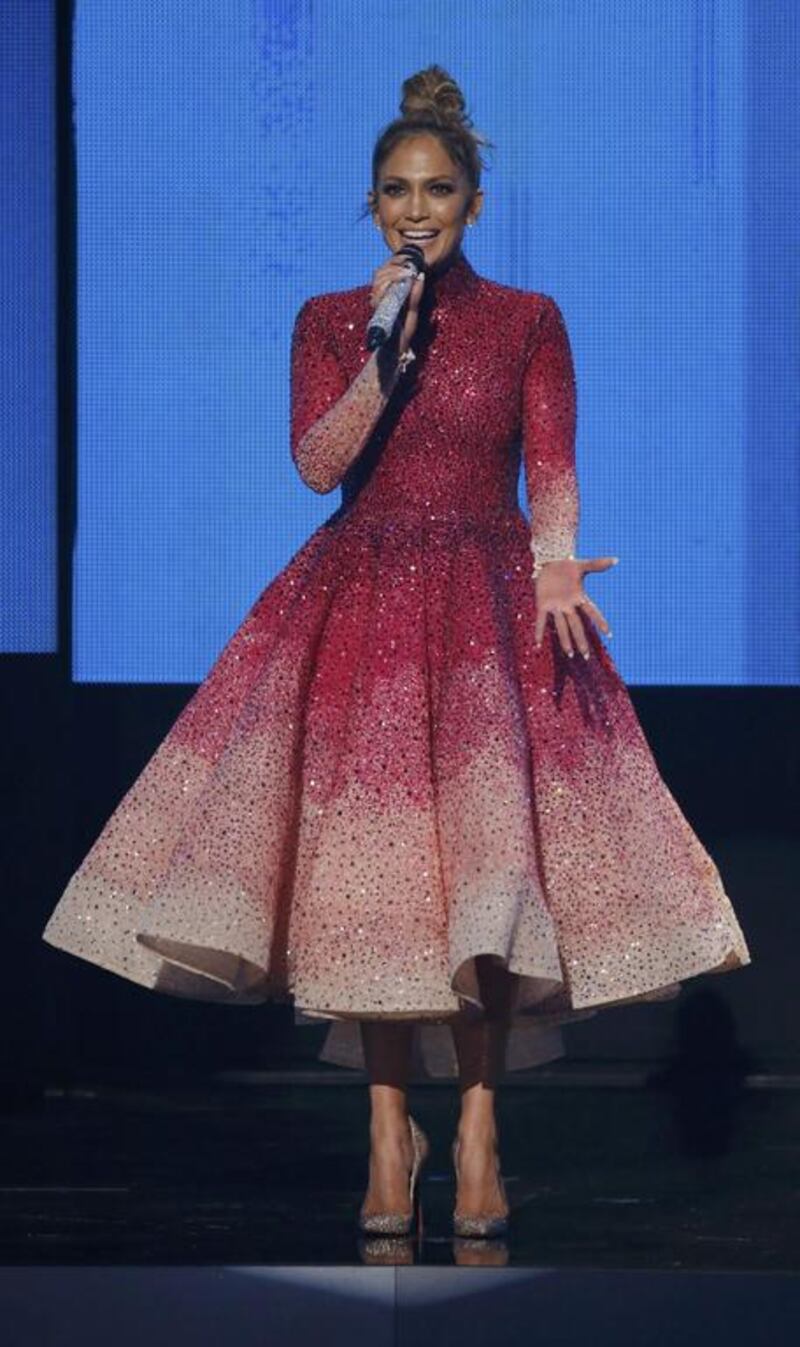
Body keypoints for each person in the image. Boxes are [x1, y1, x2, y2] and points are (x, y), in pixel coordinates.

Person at [41, 65, 751, 1241]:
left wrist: (556, 562)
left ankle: (474, 1130)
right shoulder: (330, 319)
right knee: (369, 895)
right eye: (392, 191)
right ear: (371, 206)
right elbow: (317, 467)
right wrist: (382, 351)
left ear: (473, 200)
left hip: (485, 616)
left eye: (435, 190)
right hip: (362, 610)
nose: (413, 209)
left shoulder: (527, 319)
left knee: (480, 893)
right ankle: (386, 1134)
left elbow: (551, 467)